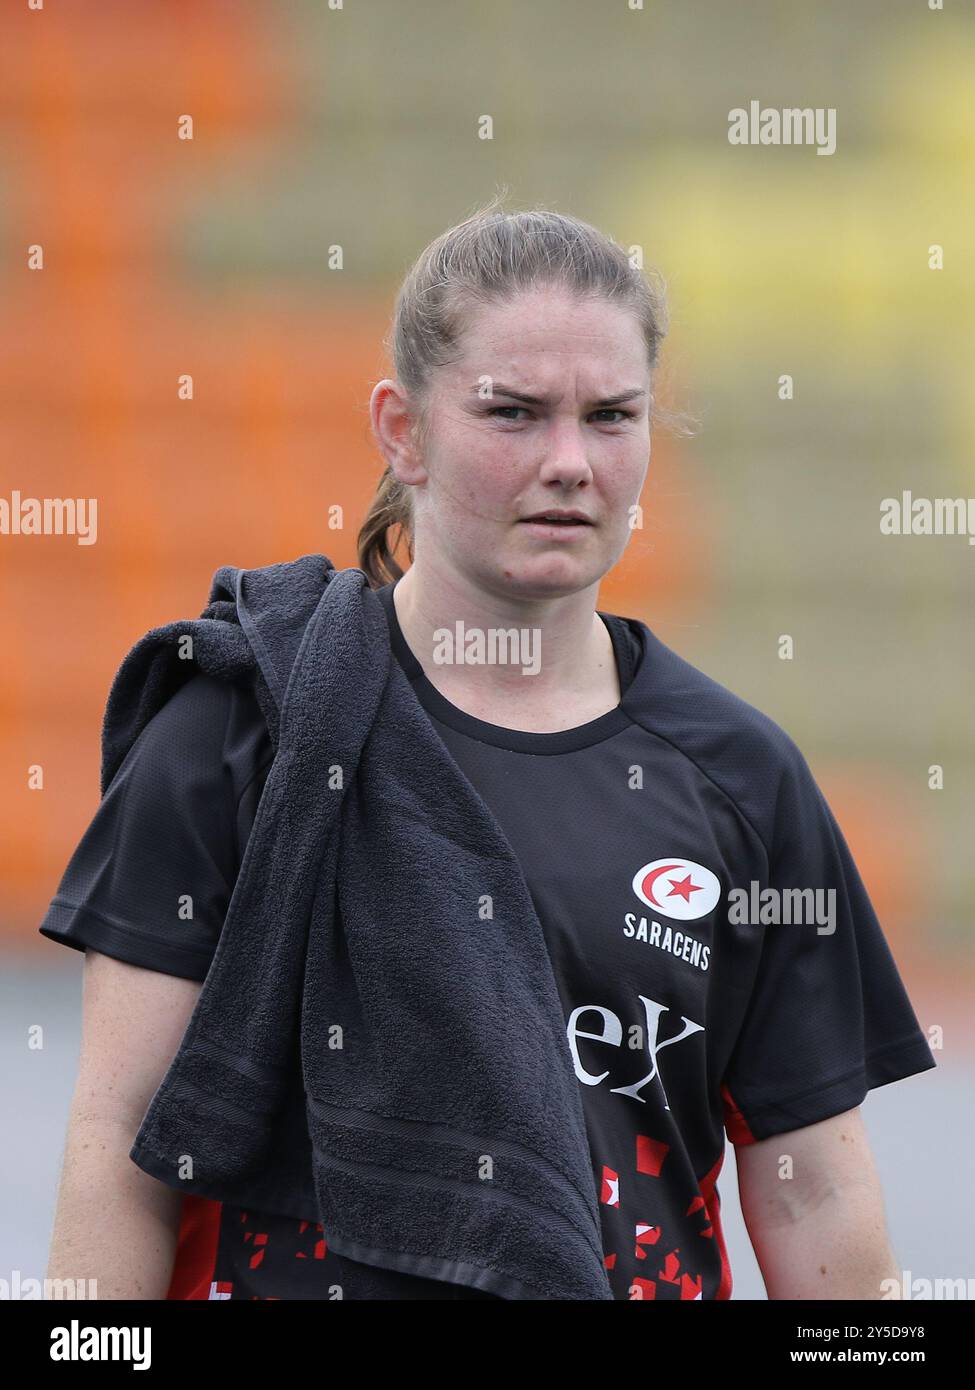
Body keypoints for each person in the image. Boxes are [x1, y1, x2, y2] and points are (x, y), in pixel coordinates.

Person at [40, 199, 936, 1301]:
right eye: (513, 413)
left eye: (611, 416)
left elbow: (815, 1193)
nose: (570, 461)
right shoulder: (239, 730)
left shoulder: (744, 781)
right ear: (402, 430)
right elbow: (121, 1141)